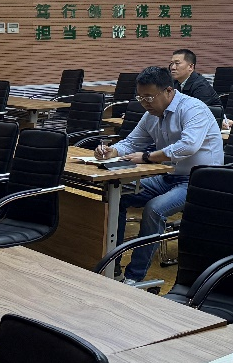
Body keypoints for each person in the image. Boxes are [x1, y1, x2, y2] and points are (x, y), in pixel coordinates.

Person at [95, 66, 224, 285]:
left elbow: (188, 146)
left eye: (149, 97)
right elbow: (131, 143)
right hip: (168, 176)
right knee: (118, 196)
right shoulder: (151, 115)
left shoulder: (193, 109)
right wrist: (112, 151)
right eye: (140, 97)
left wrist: (148, 157)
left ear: (168, 91)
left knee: (155, 209)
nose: (144, 103)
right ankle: (111, 266)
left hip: (199, 181)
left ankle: (134, 277)